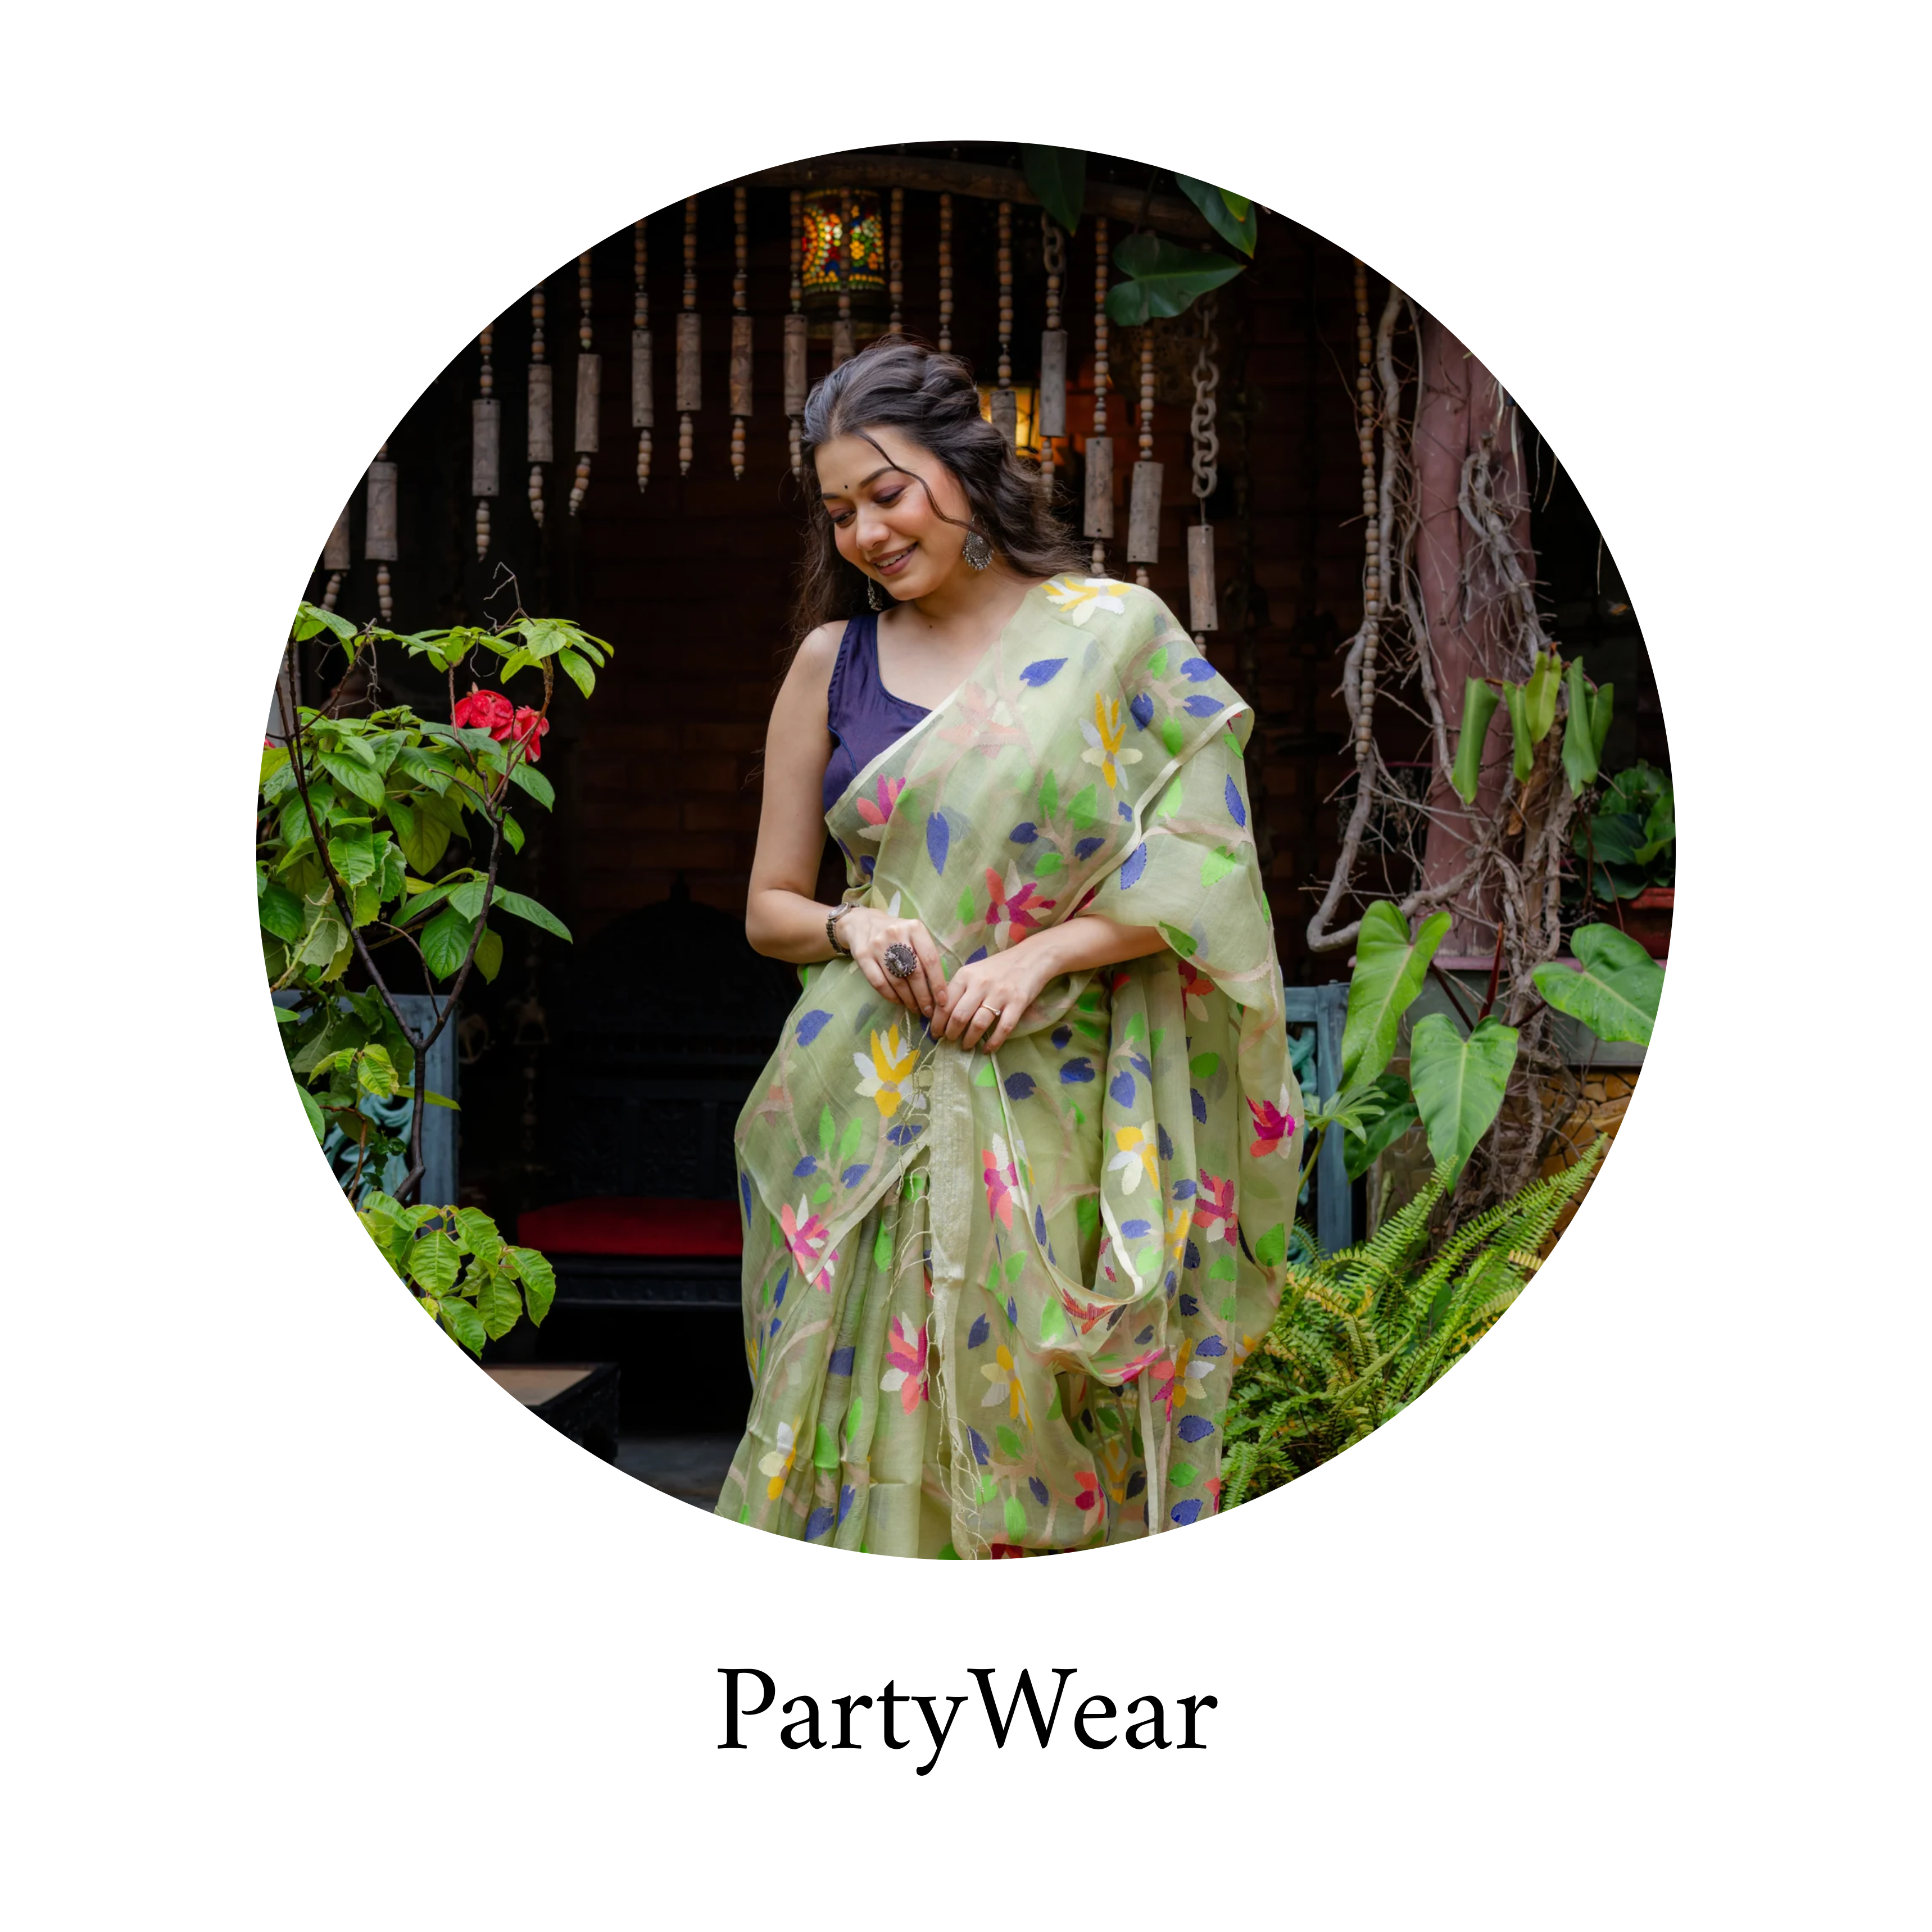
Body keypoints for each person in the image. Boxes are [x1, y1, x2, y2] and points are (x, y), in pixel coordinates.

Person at [716, 336, 1302, 1556]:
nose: (867, 533)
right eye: (840, 513)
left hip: (1063, 1105)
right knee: (847, 1424)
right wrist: (853, 923)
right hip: (860, 1109)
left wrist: (1037, 955)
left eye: (887, 493)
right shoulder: (832, 662)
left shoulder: (1114, 634)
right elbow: (772, 904)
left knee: (1048, 1430)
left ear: (968, 468)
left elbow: (1206, 870)